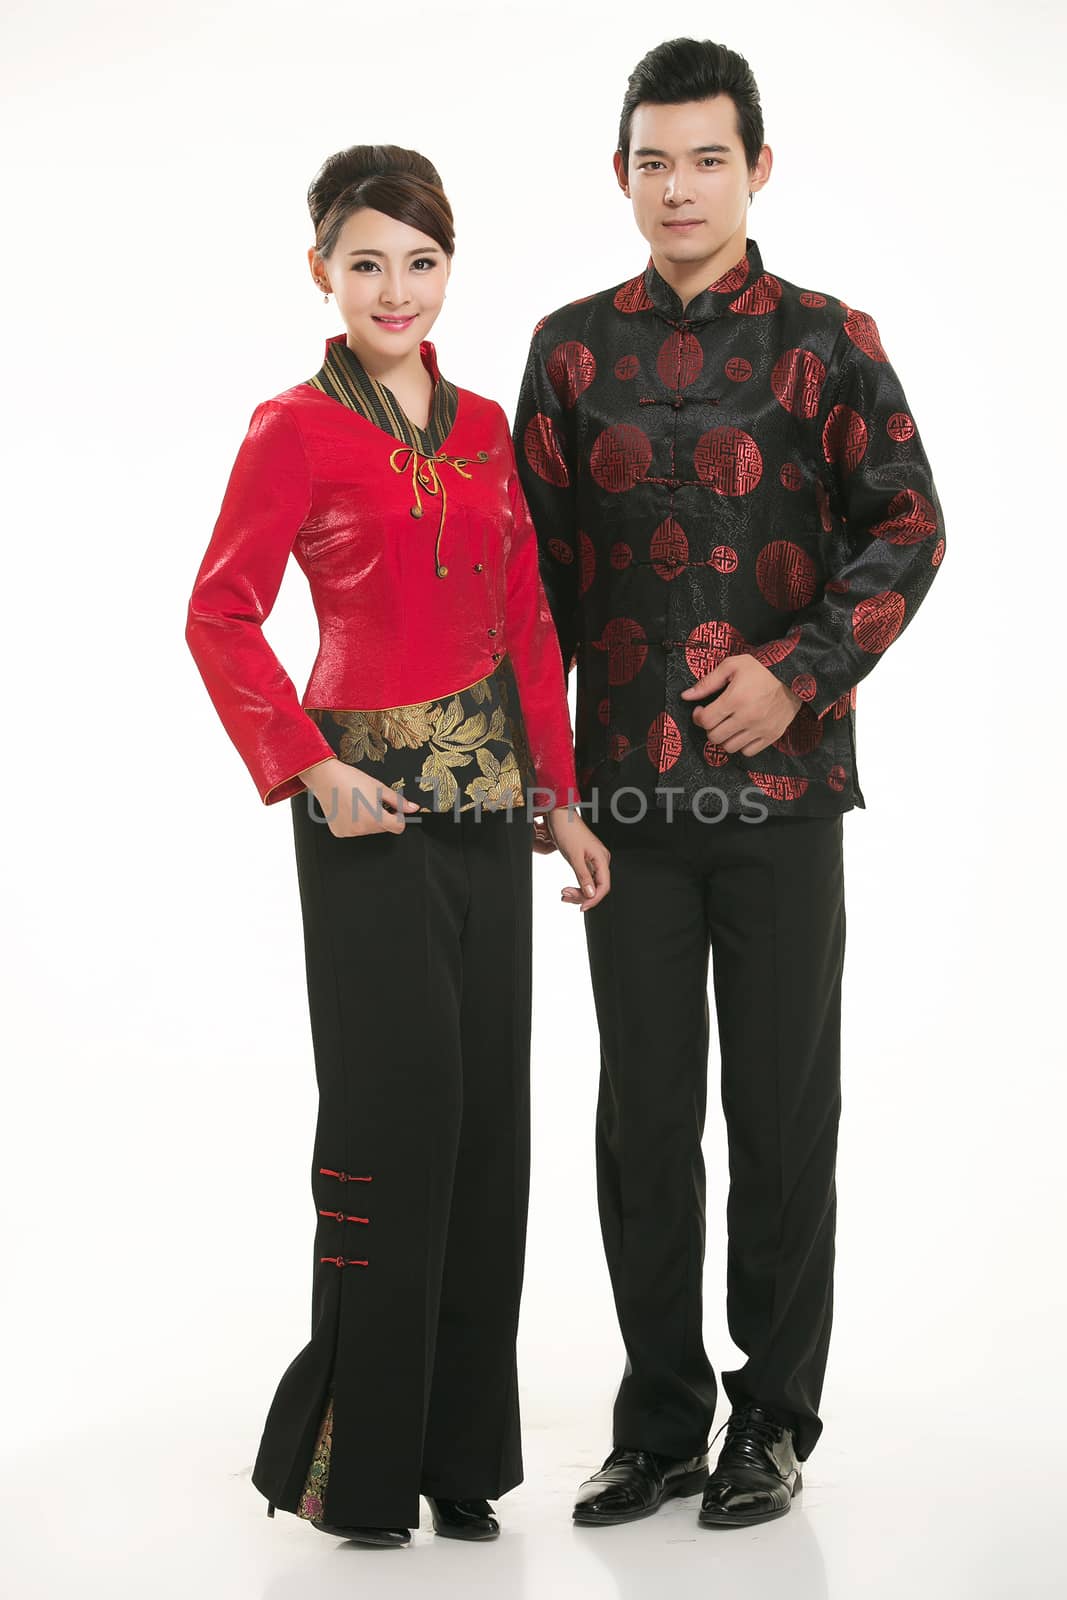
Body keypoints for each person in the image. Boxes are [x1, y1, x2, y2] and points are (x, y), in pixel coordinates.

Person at [515, 39, 945, 1530]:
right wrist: (545, 791)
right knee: (643, 1122)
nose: (680, 185)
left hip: (781, 806)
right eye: (654, 159)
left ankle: (774, 1416)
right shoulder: (569, 351)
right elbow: (536, 595)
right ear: (621, 174)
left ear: (758, 167)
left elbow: (909, 526)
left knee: (779, 1118)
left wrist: (803, 671)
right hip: (624, 814)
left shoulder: (829, 340)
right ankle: (659, 1421)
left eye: (708, 157)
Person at [185, 144, 611, 1549]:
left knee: (490, 1123)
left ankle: (461, 1462)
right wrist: (310, 768)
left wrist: (559, 797)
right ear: (323, 270)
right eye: (367, 261)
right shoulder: (289, 430)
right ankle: (355, 1466)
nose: (396, 288)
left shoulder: (485, 426)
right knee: (397, 1119)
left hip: (493, 814)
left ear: (448, 270)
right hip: (365, 815)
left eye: (421, 262)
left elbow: (528, 618)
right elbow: (222, 614)